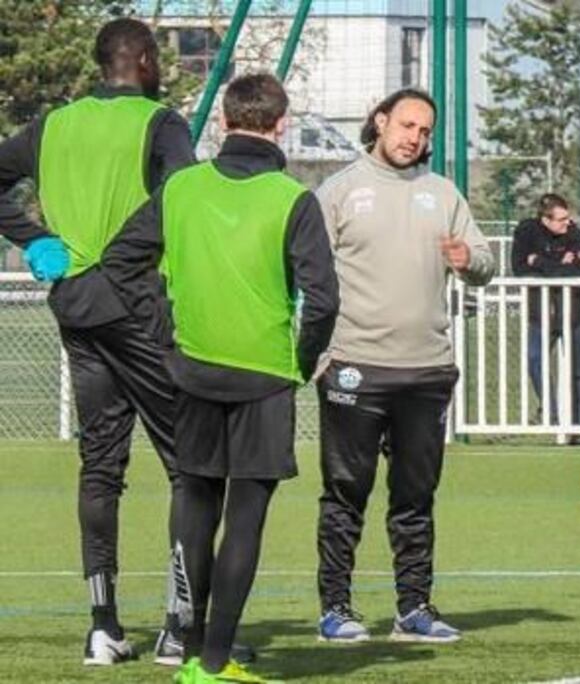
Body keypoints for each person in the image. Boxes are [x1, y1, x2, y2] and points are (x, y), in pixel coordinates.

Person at [101, 72, 339, 684]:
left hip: (193, 367)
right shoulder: (293, 198)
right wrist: (303, 361)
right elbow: (325, 298)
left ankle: (186, 644)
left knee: (194, 500)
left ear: (224, 122)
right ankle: (213, 660)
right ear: (280, 124)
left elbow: (123, 261)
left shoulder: (181, 189)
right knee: (246, 517)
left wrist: (162, 328)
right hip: (264, 375)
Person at [0, 17, 198, 666]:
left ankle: (103, 627)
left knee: (101, 465)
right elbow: (181, 199)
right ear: (141, 59)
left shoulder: (54, 125)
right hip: (139, 301)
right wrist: (125, 258)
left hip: (77, 305)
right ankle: (179, 625)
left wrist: (33, 239)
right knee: (188, 463)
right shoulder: (160, 122)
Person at [313, 88, 494, 644]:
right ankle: (336, 609)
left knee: (415, 497)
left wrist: (471, 262)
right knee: (346, 494)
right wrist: (318, 355)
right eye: (406, 125)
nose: (414, 137)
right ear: (381, 121)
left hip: (426, 372)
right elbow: (309, 275)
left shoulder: (442, 193)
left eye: (424, 130)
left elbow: (483, 261)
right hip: (353, 368)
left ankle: (414, 608)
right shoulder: (338, 191)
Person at [510, 193, 580, 427]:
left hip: (571, 312)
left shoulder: (572, 231)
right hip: (540, 312)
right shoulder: (526, 231)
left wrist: (539, 262)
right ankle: (551, 413)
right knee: (536, 361)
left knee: (578, 369)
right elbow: (519, 268)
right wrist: (557, 263)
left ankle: (577, 423)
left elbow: (575, 271)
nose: (567, 223)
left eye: (567, 218)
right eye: (560, 219)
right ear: (545, 219)